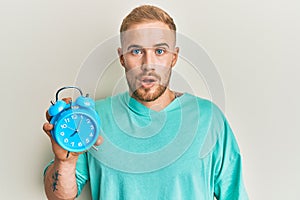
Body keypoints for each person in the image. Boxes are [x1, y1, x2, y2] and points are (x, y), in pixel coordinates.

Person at [43, 5, 248, 200]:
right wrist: (65, 163)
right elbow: (59, 196)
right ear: (122, 58)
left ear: (173, 57)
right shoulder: (93, 120)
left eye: (159, 51)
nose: (148, 65)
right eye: (136, 51)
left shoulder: (209, 118)